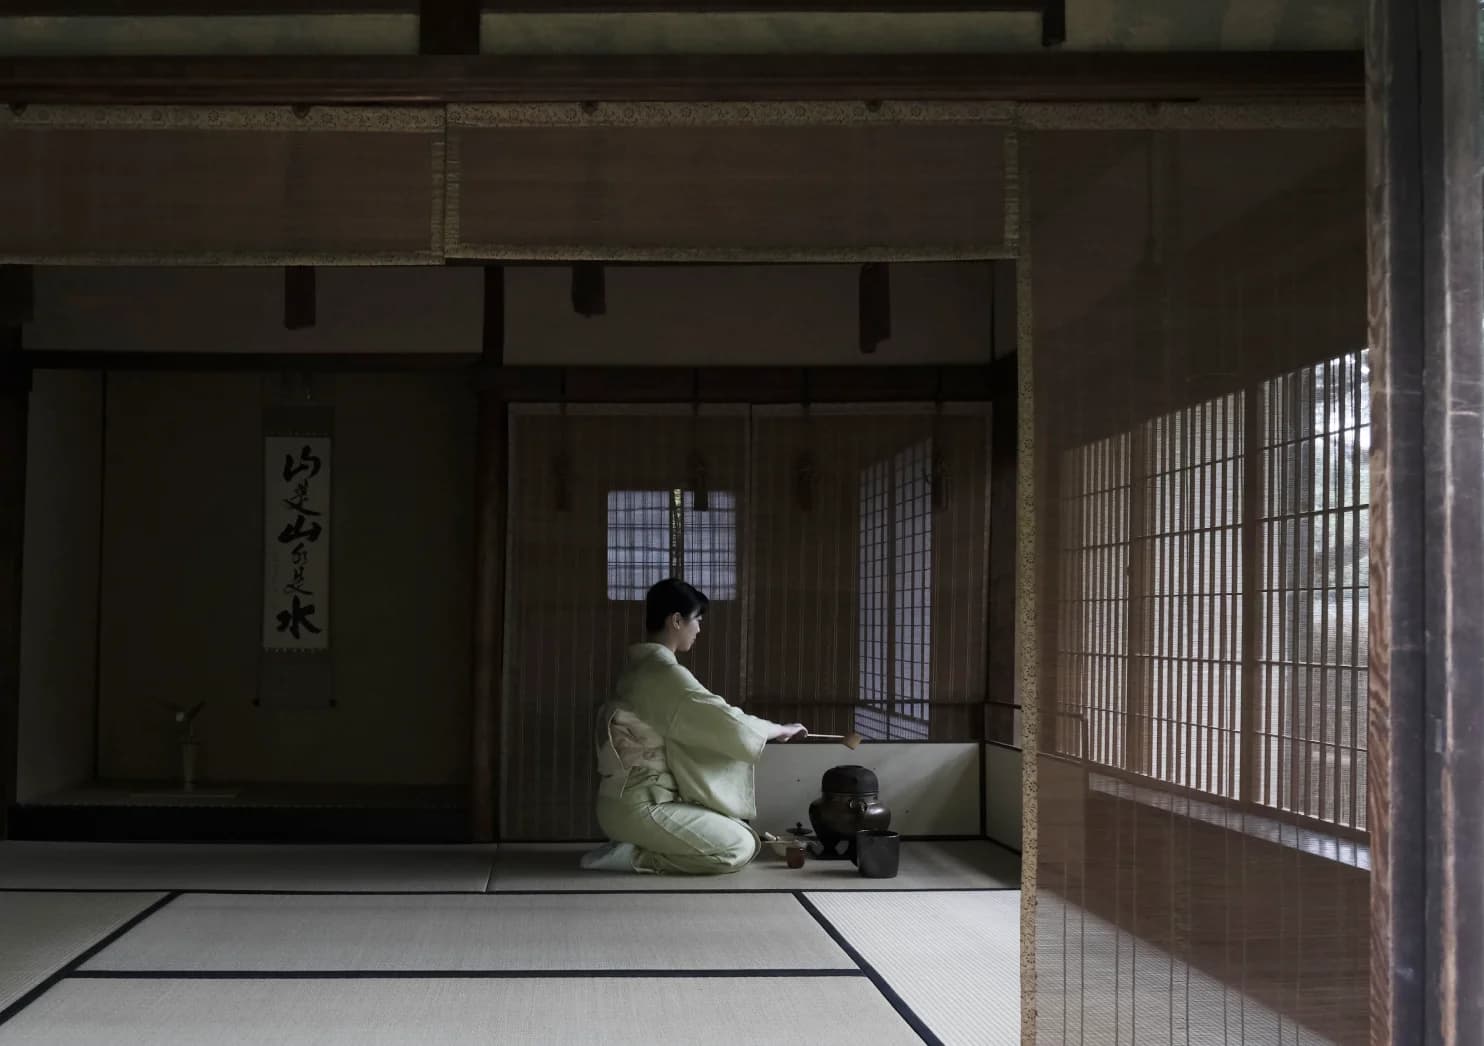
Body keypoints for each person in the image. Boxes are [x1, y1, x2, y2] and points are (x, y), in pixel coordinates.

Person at [581, 578, 807, 874]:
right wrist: (777, 729)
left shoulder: (641, 668)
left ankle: (633, 845)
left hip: (627, 803)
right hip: (640, 807)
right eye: (697, 620)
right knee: (739, 846)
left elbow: (711, 716)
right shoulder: (660, 673)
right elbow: (724, 720)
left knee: (735, 828)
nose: (699, 629)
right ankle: (634, 857)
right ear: (676, 620)